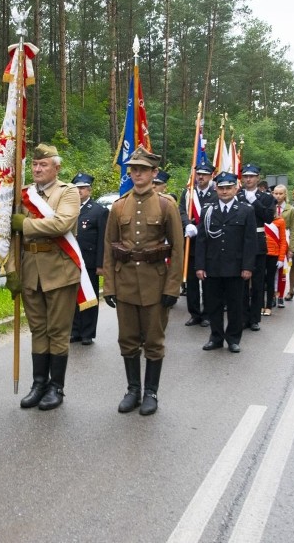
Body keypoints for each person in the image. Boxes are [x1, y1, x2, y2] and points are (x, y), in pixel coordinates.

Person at [103, 146, 184, 416]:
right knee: (127, 339)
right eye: (133, 169)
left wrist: (173, 286)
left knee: (153, 340)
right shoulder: (118, 206)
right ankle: (133, 390)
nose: (137, 173)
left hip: (155, 283)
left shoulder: (166, 205)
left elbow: (176, 248)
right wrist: (109, 286)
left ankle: (151, 392)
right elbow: (110, 247)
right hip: (125, 283)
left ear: (154, 173)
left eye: (142, 169)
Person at [5, 143, 81, 411]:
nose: (37, 169)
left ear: (56, 168)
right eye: (35, 165)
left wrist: (25, 224)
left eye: (43, 165)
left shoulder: (68, 192)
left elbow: (62, 224)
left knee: (57, 331)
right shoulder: (22, 194)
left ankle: (56, 387)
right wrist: (12, 270)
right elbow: (11, 239)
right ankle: (38, 383)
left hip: (59, 272)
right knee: (38, 329)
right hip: (30, 272)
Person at [195, 172, 257, 353]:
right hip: (212, 265)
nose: (224, 191)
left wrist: (247, 267)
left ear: (236, 188)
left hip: (236, 267)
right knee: (213, 304)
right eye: (221, 188)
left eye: (228, 187)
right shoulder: (208, 210)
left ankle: (233, 339)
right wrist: (199, 266)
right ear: (216, 188)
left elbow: (250, 241)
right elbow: (201, 240)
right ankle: (215, 337)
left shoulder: (246, 210)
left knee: (235, 305)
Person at [70, 172, 108, 346]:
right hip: (69, 261)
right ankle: (74, 330)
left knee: (89, 297)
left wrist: (101, 264)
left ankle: (87, 333)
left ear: (89, 190)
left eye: (83, 188)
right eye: (77, 188)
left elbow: (102, 240)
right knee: (72, 298)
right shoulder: (68, 209)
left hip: (89, 262)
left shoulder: (99, 211)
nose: (79, 191)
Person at [236, 164, 275, 331]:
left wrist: (255, 201)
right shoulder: (236, 195)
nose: (248, 179)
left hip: (258, 242)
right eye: (245, 176)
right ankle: (243, 316)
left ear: (258, 178)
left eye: (252, 176)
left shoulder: (266, 197)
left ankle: (254, 318)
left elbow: (268, 218)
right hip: (240, 243)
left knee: (258, 281)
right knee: (242, 281)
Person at [178, 162, 217, 327]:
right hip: (191, 245)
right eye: (198, 174)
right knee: (192, 282)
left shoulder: (216, 194)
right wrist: (187, 223)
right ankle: (194, 314)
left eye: (204, 174)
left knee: (208, 283)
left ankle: (208, 314)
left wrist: (199, 227)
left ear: (211, 176)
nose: (201, 177)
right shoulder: (188, 194)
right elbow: (181, 210)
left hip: (209, 245)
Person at [272, 184, 294, 306]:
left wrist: (291, 248)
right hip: (272, 239)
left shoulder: (290, 209)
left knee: (282, 269)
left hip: (285, 239)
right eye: (275, 193)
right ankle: (272, 295)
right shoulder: (269, 207)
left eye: (280, 193)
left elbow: (293, 229)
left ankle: (280, 295)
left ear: (285, 195)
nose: (278, 196)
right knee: (271, 270)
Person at [262, 214, 287, 315]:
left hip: (274, 255)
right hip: (260, 254)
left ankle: (268, 306)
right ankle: (260, 306)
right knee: (259, 282)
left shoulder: (280, 221)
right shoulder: (260, 219)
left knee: (270, 280)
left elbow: (283, 241)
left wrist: (281, 258)